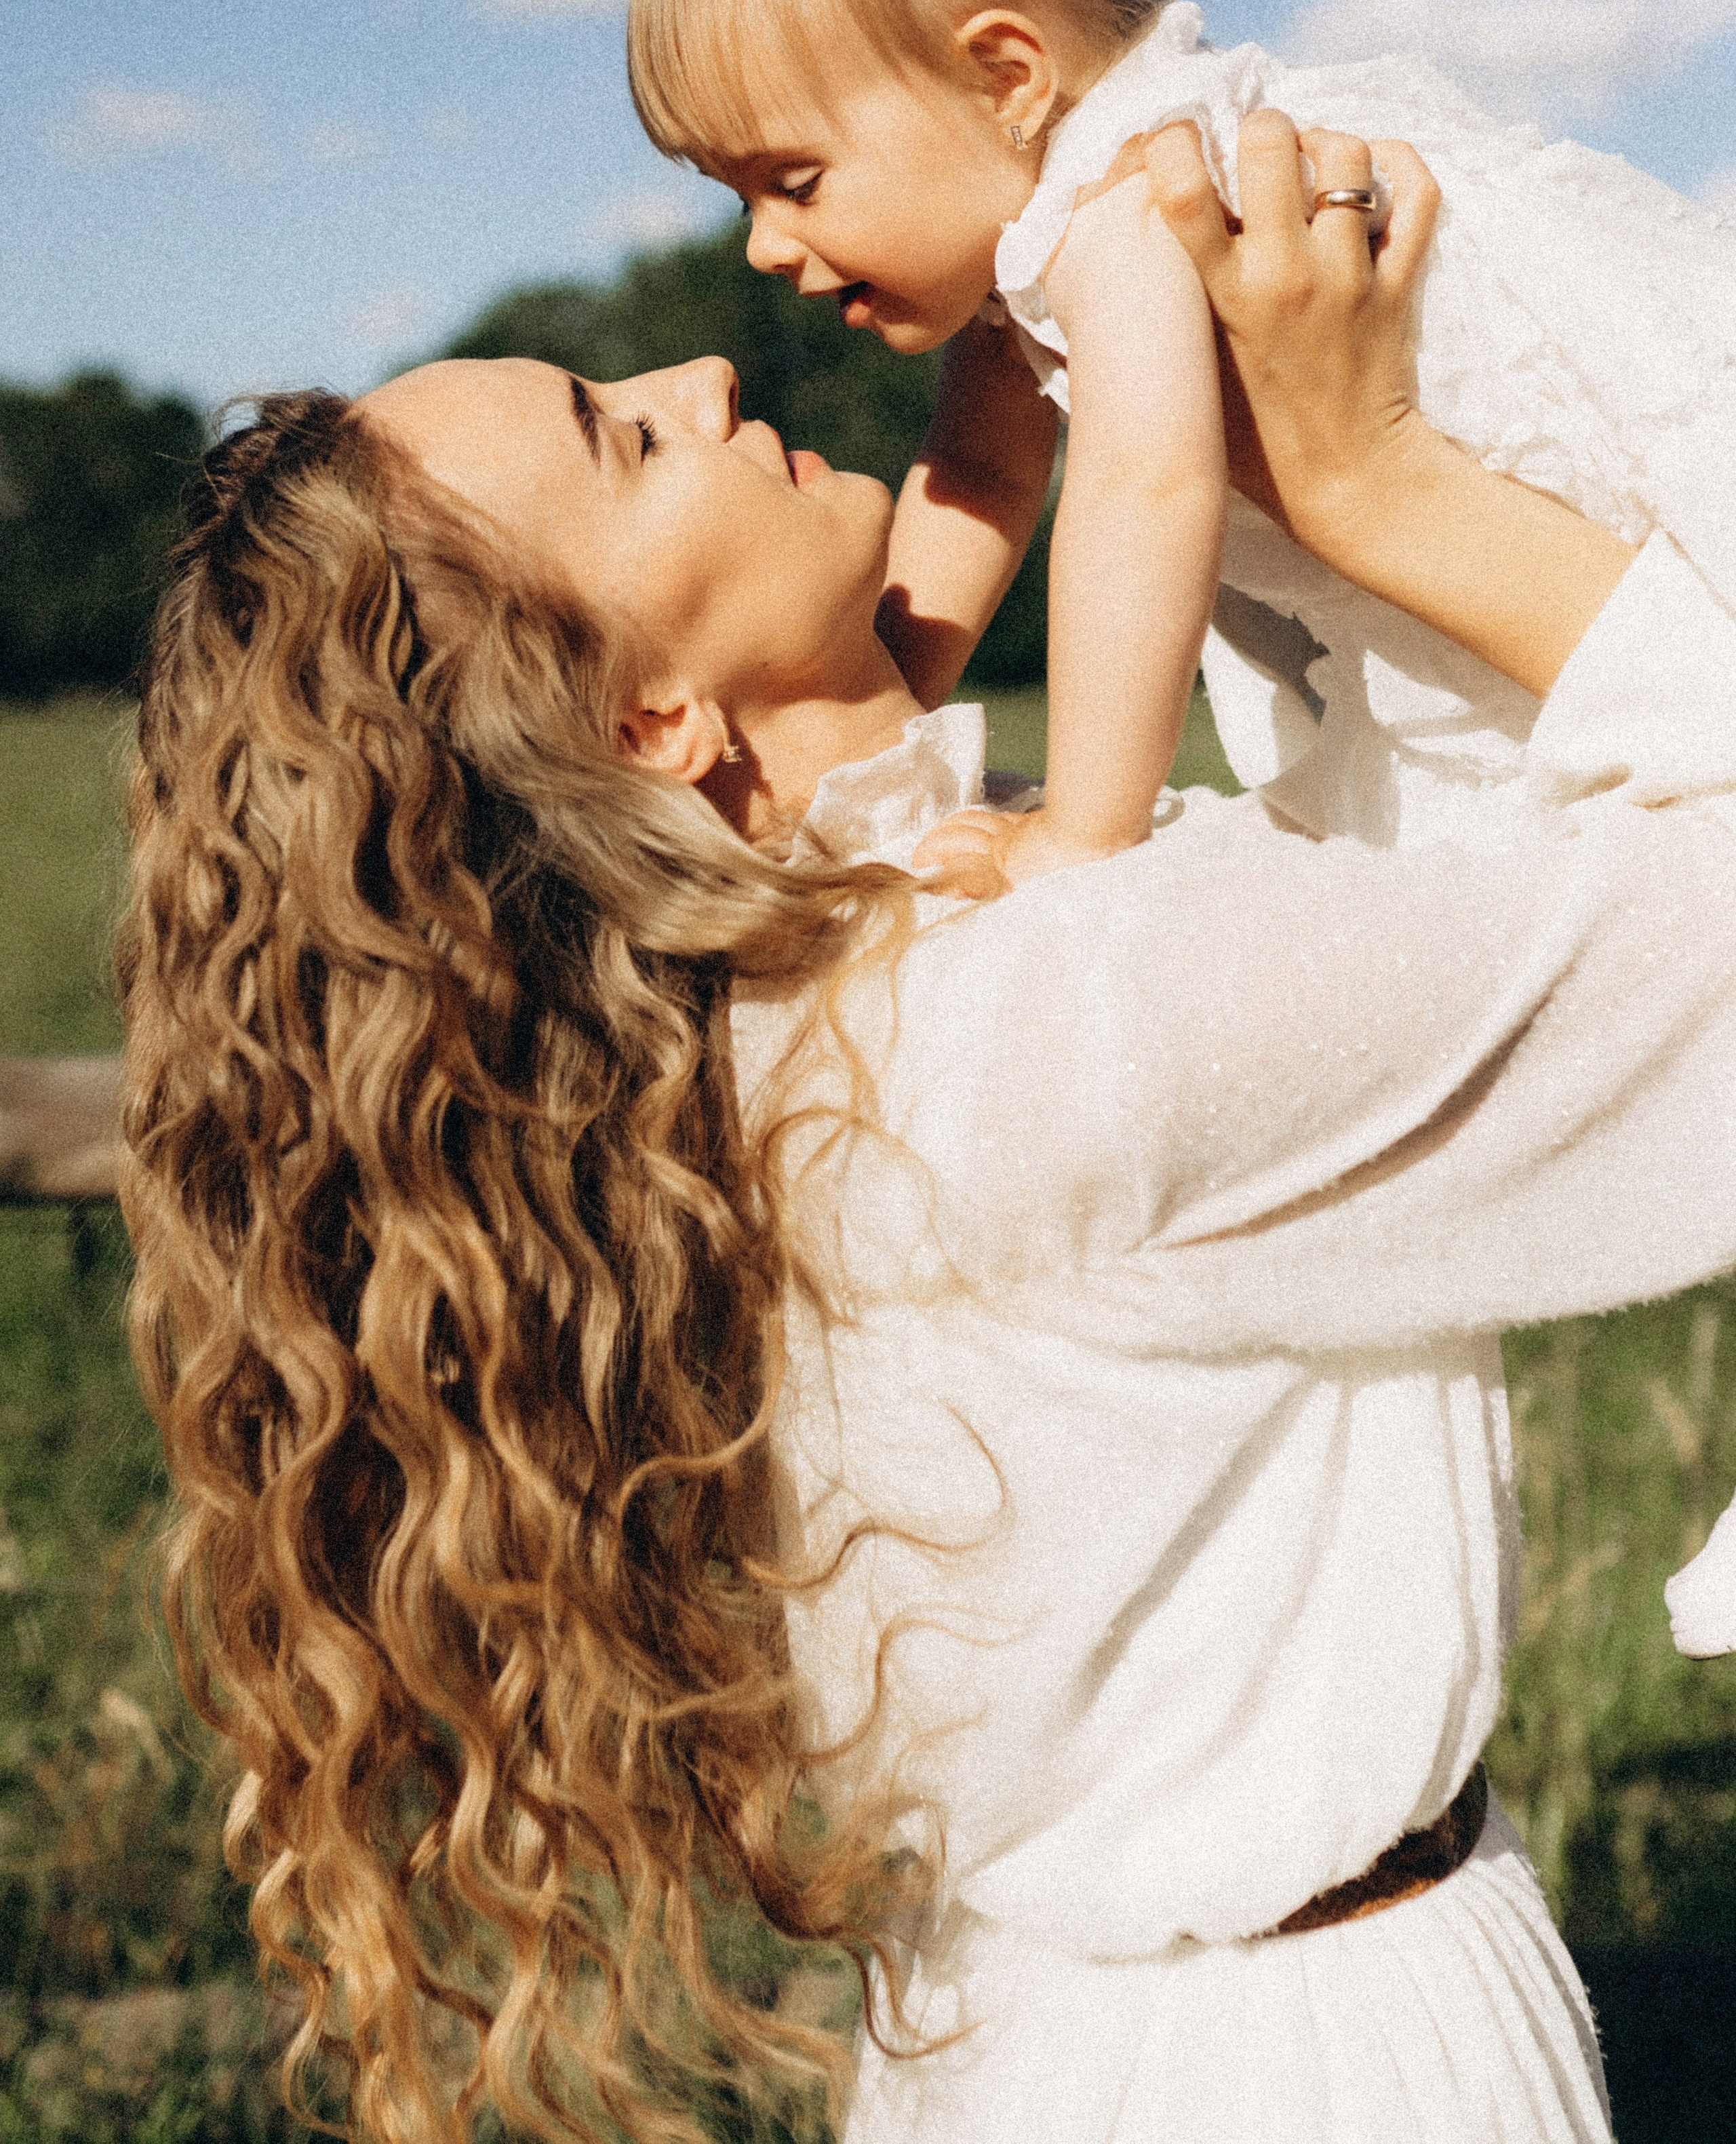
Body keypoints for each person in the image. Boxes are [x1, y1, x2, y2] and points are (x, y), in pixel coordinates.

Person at [119, 125, 1736, 2144]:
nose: (703, 378)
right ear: (641, 722)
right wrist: (1385, 479)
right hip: (1317, 2070)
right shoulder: (1061, 1014)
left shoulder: (762, 1039)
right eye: (623, 443)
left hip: (999, 2054)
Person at [625, 0, 1736, 872]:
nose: (767, 248)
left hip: (1565, 522)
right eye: (739, 199)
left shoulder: (1127, 201)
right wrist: (882, 730)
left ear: (1005, 77)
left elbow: (1146, 491)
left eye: (794, 180)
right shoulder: (1037, 245)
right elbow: (977, 478)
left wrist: (1081, 828)